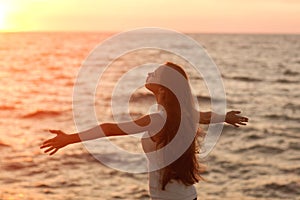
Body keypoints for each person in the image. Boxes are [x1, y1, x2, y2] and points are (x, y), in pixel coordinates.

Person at [40, 62, 248, 200]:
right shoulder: (184, 113)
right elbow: (205, 116)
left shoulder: (158, 119)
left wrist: (69, 139)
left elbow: (109, 129)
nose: (149, 74)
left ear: (162, 89)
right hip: (188, 196)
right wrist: (225, 117)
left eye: (155, 74)